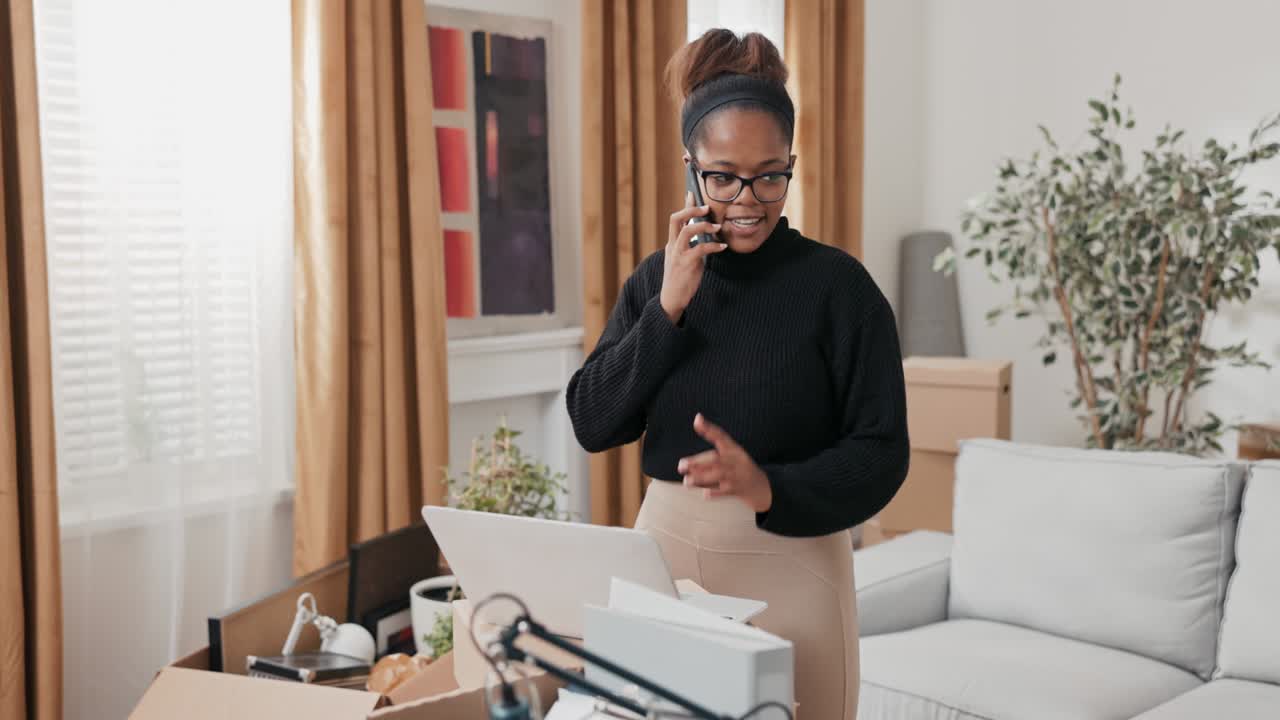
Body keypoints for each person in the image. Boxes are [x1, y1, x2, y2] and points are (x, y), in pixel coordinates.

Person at [566, 28, 909, 720]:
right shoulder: (658, 281)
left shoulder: (839, 288)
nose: (748, 199)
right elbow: (593, 422)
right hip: (663, 556)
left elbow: (883, 452)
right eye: (723, 177)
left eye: (770, 175)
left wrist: (769, 486)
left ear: (791, 165)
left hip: (795, 561)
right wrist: (667, 310)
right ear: (691, 168)